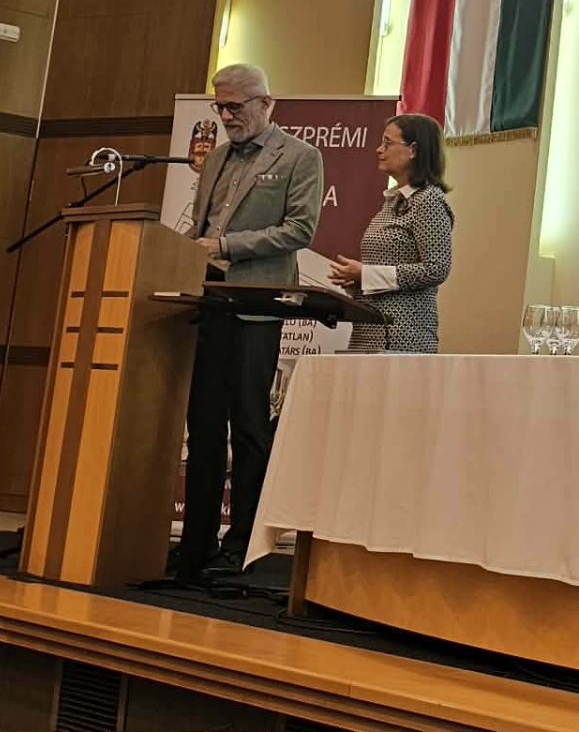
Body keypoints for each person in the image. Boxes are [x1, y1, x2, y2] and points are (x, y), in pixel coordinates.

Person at [174, 64, 323, 579]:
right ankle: (195, 544)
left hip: (258, 306)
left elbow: (299, 229)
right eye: (220, 107)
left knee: (249, 427)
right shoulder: (215, 158)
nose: (227, 116)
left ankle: (241, 545)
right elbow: (199, 228)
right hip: (210, 301)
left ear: (266, 103)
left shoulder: (300, 156)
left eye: (235, 106)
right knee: (204, 424)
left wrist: (225, 245)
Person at [329, 113, 454, 353]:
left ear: (413, 150)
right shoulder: (394, 201)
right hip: (369, 327)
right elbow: (386, 270)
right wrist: (357, 281)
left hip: (404, 332)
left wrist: (366, 273)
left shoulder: (428, 201)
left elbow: (437, 268)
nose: (379, 149)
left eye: (387, 143)